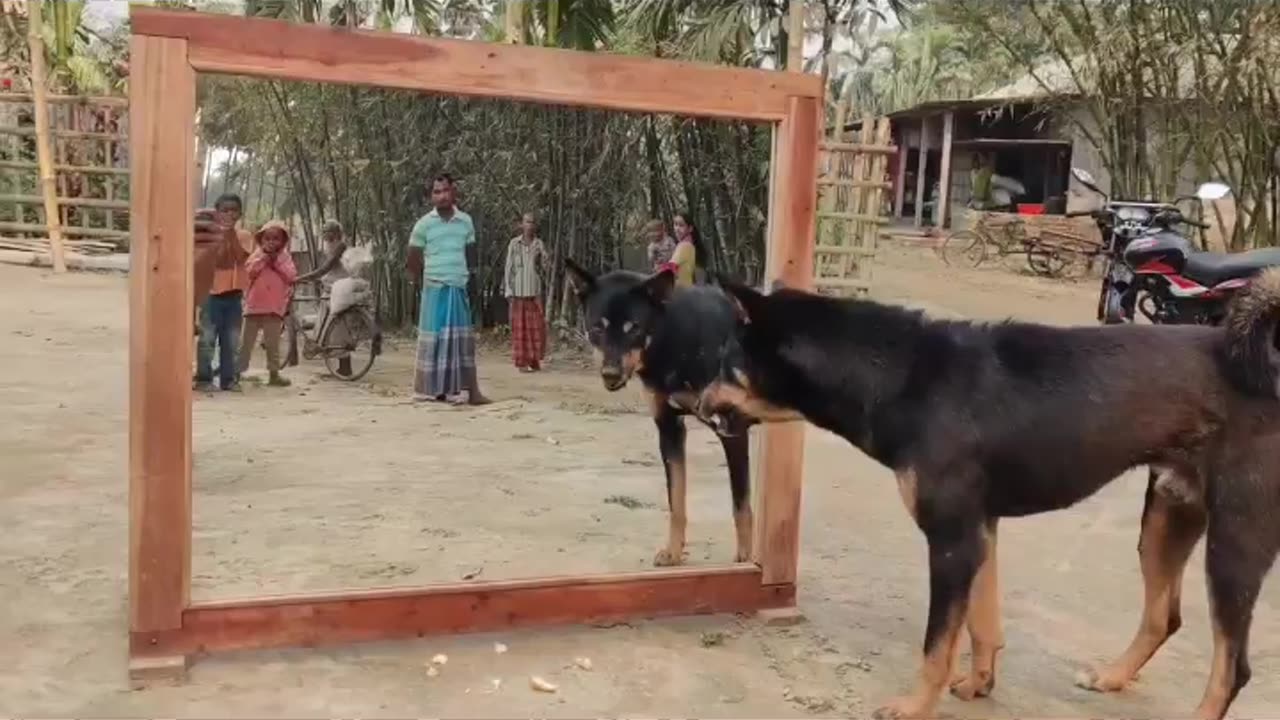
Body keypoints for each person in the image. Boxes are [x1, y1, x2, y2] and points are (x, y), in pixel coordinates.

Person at [405, 173, 491, 405]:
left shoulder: (466, 221)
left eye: (445, 190)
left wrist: (473, 288)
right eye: (436, 192)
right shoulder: (423, 225)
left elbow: (471, 257)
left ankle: (472, 392)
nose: (442, 196)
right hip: (434, 289)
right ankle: (432, 391)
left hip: (459, 287)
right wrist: (417, 290)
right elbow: (412, 262)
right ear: (431, 197)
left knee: (463, 343)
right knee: (434, 342)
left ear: (454, 192)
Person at [194, 193, 253, 392]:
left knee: (232, 340)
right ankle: (203, 379)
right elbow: (218, 261)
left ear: (240, 213)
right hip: (211, 295)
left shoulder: (244, 235)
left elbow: (240, 257)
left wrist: (230, 235)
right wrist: (221, 235)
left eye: (233, 210)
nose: (229, 214)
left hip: (234, 296)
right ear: (217, 213)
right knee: (207, 339)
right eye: (224, 210)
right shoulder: (209, 236)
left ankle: (229, 380)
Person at [238, 220, 297, 387]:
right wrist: (264, 257)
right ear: (261, 240)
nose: (271, 242)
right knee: (246, 343)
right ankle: (237, 372)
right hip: (253, 307)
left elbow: (291, 276)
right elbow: (249, 271)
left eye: (276, 238)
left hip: (274, 308)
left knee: (273, 344)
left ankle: (274, 374)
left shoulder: (285, 258)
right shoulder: (256, 255)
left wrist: (276, 262)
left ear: (283, 241)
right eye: (268, 238)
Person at [296, 219, 354, 376]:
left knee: (337, 329)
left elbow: (325, 268)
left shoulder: (340, 246)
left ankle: (345, 367)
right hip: (331, 287)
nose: (327, 235)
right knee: (328, 326)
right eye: (325, 232)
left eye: (330, 232)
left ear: (337, 233)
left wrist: (302, 278)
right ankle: (341, 365)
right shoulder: (330, 245)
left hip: (339, 289)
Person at [503, 212, 548, 372]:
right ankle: (522, 362)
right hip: (518, 292)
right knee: (520, 329)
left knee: (536, 328)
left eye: (532, 222)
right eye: (527, 222)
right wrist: (508, 289)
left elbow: (545, 268)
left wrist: (541, 259)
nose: (530, 225)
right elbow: (509, 267)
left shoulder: (539, 244)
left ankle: (534, 361)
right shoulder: (514, 244)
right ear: (522, 225)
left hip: (534, 291)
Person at [665, 210, 705, 288]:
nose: (677, 228)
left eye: (681, 225)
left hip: (680, 292)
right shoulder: (690, 245)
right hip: (686, 291)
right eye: (675, 224)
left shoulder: (684, 246)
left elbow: (669, 268)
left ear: (690, 229)